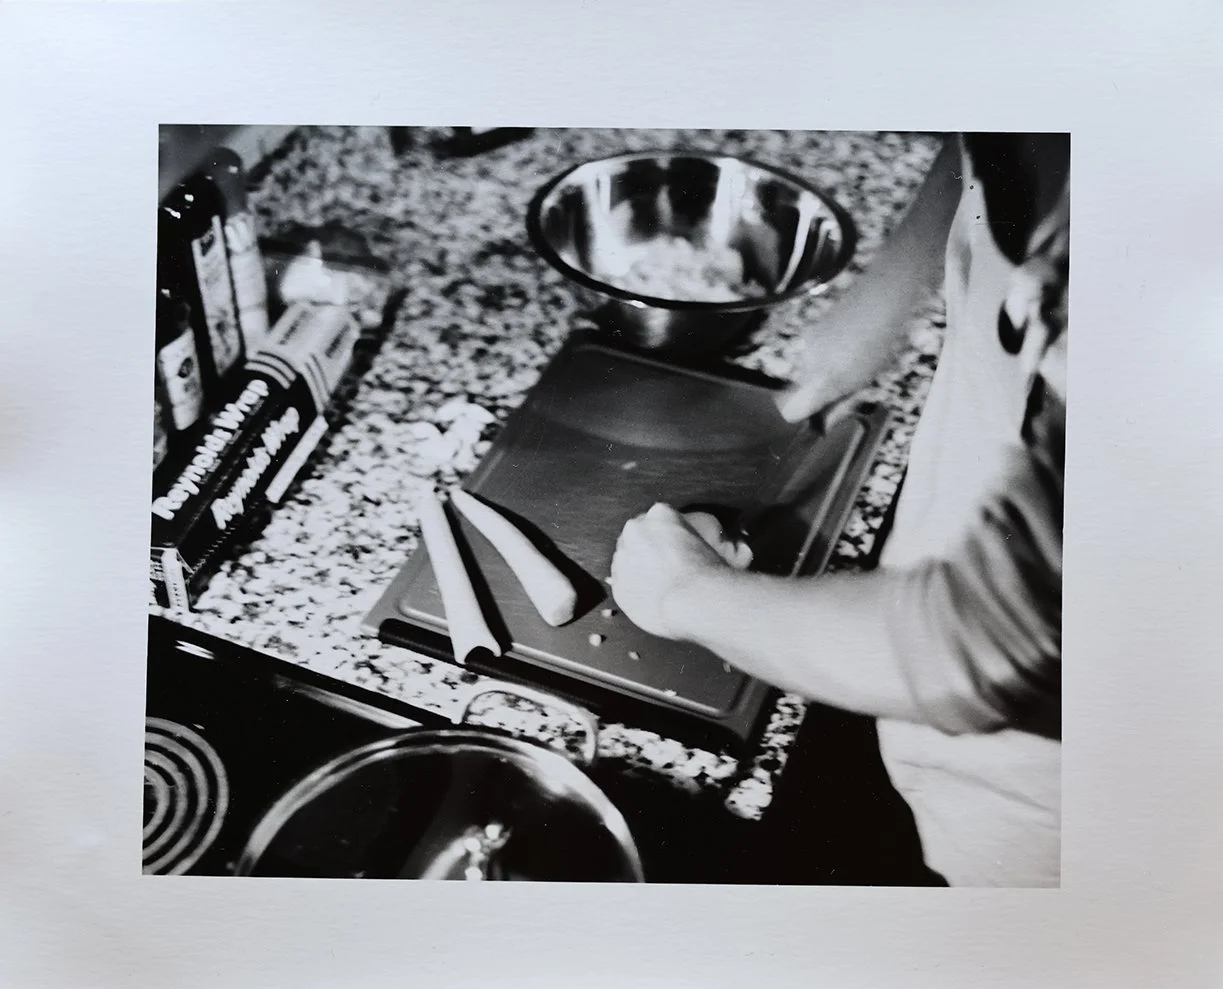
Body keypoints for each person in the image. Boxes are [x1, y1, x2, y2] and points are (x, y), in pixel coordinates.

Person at [609, 133, 1069, 888]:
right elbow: (1001, 134)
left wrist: (682, 591)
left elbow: (981, 645)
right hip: (970, 498)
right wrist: (899, 278)